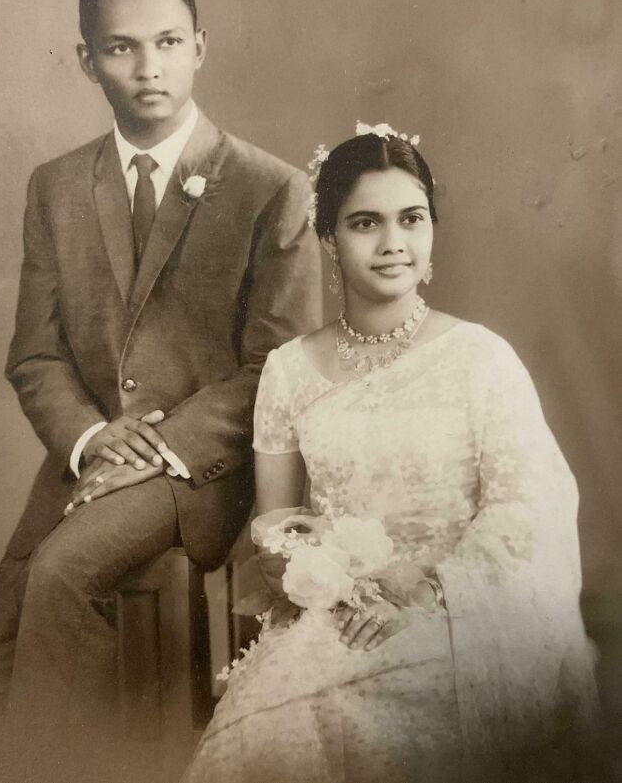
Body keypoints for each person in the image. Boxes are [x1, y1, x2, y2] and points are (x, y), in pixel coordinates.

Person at [0, 0, 321, 740]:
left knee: (62, 572)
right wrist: (88, 438)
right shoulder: (56, 185)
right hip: (85, 463)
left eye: (169, 42)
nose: (150, 67)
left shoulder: (271, 188)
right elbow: (35, 353)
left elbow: (276, 371)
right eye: (122, 47)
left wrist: (152, 451)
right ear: (87, 60)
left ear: (200, 47)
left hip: (201, 472)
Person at [182, 126, 599, 783]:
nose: (392, 243)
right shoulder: (289, 370)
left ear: (432, 229)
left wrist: (429, 583)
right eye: (364, 223)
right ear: (327, 239)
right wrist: (338, 579)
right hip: (340, 612)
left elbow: (527, 509)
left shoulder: (480, 358)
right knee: (275, 728)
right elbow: (275, 525)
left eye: (411, 219)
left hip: (463, 610)